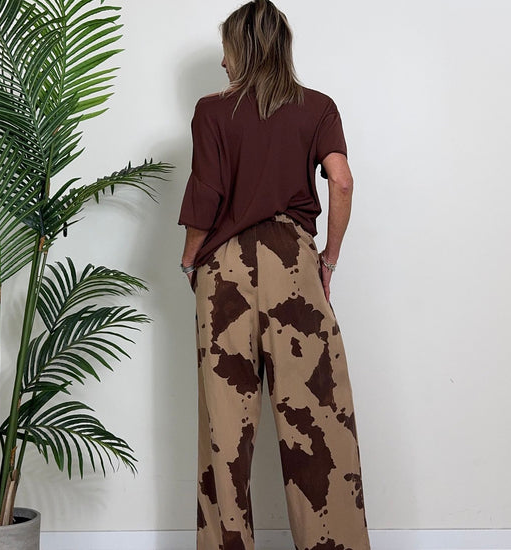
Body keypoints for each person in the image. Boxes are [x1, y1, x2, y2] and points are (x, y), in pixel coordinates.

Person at [177, 1, 371, 549]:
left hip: (225, 273)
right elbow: (342, 180)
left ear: (242, 49)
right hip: (294, 266)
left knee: (225, 430)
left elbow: (206, 195)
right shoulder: (319, 108)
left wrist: (190, 260)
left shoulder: (211, 112)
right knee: (319, 421)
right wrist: (328, 260)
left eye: (226, 50)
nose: (222, 62)